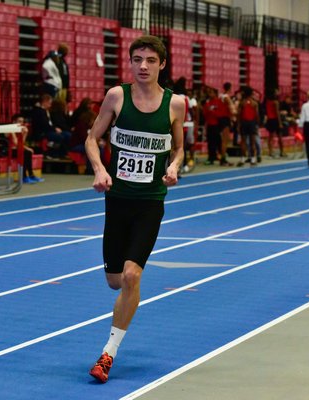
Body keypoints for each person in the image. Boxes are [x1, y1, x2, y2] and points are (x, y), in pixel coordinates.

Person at [85, 35, 185, 384]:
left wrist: (173, 167)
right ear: (130, 63)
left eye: (150, 60)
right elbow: (91, 137)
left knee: (131, 276)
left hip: (150, 202)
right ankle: (121, 301)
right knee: (115, 281)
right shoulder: (116, 96)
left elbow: (180, 149)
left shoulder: (176, 104)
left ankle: (107, 354)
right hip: (118, 200)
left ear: (162, 64)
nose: (143, 66)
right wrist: (100, 169)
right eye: (137, 59)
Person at [29, 94, 71, 158]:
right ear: (45, 102)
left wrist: (55, 128)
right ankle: (56, 154)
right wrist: (54, 129)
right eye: (49, 103)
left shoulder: (45, 111)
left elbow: (49, 123)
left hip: (49, 130)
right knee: (60, 137)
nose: (50, 105)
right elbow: (44, 125)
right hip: (42, 132)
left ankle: (64, 153)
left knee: (67, 135)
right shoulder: (38, 111)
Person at [11, 114, 44, 184]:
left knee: (28, 152)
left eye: (22, 122)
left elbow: (21, 144)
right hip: (10, 150)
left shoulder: (20, 130)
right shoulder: (11, 130)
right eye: (19, 121)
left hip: (18, 149)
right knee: (26, 152)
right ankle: (24, 177)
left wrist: (25, 134)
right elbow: (16, 143)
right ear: (14, 122)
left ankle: (30, 175)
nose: (21, 123)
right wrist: (25, 134)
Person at [237, 86, 260, 167]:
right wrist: (257, 124)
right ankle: (253, 160)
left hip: (244, 123)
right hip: (252, 123)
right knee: (252, 142)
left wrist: (238, 124)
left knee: (243, 142)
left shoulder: (242, 102)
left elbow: (239, 114)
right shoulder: (254, 103)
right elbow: (257, 115)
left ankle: (242, 159)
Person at [203, 86, 223, 165]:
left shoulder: (219, 102)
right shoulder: (207, 103)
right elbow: (204, 113)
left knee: (218, 142)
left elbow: (221, 113)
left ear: (215, 94)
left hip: (217, 125)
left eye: (211, 92)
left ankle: (221, 157)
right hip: (210, 125)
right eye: (209, 92)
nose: (209, 94)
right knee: (210, 142)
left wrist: (213, 112)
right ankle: (211, 158)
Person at [264, 88, 285, 157]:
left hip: (270, 120)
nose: (278, 92)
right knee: (279, 136)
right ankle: (282, 152)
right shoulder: (275, 102)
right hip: (275, 120)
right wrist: (280, 123)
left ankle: (270, 151)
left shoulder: (267, 101)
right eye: (276, 91)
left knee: (270, 137)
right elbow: (277, 113)